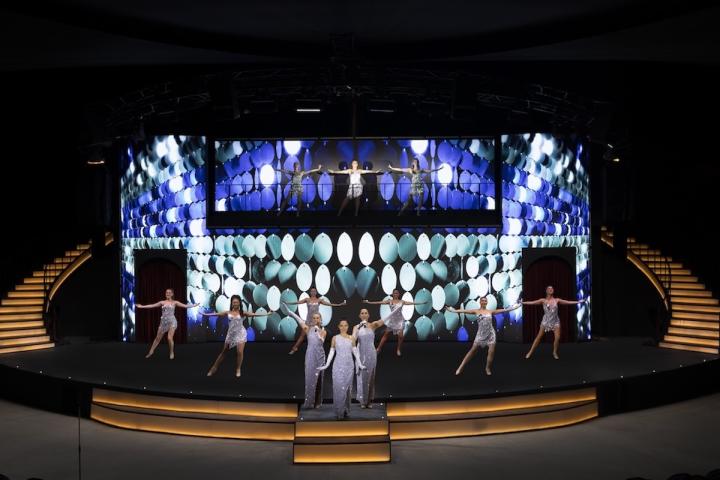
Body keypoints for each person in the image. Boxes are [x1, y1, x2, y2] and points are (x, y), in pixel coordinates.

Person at [447, 298, 521, 375]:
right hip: (480, 334)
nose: (484, 302)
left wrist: (516, 307)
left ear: (487, 302)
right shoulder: (476, 311)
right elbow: (463, 311)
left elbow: (505, 310)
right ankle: (461, 367)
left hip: (490, 334)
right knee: (472, 351)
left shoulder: (490, 311)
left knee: (491, 351)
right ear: (480, 302)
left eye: (485, 301)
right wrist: (453, 310)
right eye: (482, 300)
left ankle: (487, 368)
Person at [202, 295, 270, 377]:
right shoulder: (228, 312)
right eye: (234, 302)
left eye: (237, 302)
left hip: (240, 333)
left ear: (239, 303)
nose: (235, 304)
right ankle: (214, 368)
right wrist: (205, 314)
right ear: (232, 303)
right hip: (231, 334)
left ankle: (238, 369)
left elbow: (254, 314)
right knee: (224, 351)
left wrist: (267, 314)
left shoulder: (242, 312)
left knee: (240, 352)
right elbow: (217, 314)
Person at [317, 319, 365, 419]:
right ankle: (339, 411)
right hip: (338, 366)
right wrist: (326, 365)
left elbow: (355, 352)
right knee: (338, 388)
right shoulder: (335, 338)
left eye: (345, 325)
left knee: (347, 389)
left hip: (349, 366)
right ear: (339, 326)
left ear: (348, 327)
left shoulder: (352, 338)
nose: (343, 327)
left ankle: (345, 409)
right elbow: (331, 352)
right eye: (341, 325)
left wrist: (360, 364)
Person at [523, 286, 587, 360]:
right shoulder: (543, 300)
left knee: (557, 338)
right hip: (546, 321)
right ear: (546, 291)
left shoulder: (557, 300)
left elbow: (568, 302)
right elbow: (532, 302)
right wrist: (523, 303)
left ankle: (554, 352)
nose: (551, 289)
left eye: (552, 288)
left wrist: (579, 302)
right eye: (549, 289)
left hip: (555, 321)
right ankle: (530, 352)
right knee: (538, 337)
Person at [283, 303, 327, 408]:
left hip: (320, 356)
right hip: (310, 355)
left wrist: (317, 330)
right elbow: (300, 320)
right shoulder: (308, 329)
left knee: (319, 379)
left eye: (317, 318)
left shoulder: (323, 331)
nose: (316, 319)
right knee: (310, 378)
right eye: (314, 318)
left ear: (320, 319)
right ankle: (309, 401)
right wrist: (290, 312)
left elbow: (321, 340)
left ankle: (317, 402)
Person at [136, 288, 198, 359]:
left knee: (169, 338)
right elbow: (152, 305)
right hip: (163, 323)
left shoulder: (175, 302)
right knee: (157, 338)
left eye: (169, 293)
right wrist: (142, 306)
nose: (167, 294)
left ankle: (171, 352)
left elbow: (185, 306)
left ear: (172, 294)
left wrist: (194, 305)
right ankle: (151, 351)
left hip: (172, 322)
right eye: (166, 292)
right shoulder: (162, 302)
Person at [364, 289, 427, 356]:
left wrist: (422, 303)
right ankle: (379, 349)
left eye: (397, 293)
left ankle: (398, 349)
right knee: (385, 335)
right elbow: (378, 302)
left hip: (400, 321)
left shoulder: (402, 301)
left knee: (400, 336)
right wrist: (369, 302)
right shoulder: (389, 301)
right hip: (392, 320)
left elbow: (412, 303)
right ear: (392, 294)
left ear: (399, 294)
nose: (395, 294)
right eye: (394, 293)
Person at [284, 287, 345, 354]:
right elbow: (298, 302)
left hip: (316, 322)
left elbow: (329, 304)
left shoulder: (319, 300)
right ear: (310, 292)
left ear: (316, 292)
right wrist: (288, 303)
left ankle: (320, 350)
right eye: (312, 291)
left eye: (314, 291)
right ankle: (294, 348)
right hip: (308, 321)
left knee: (318, 337)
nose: (313, 292)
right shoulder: (307, 299)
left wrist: (339, 304)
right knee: (302, 336)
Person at [351, 308, 384, 408]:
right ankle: (362, 400)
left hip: (371, 353)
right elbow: (353, 339)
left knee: (370, 377)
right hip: (361, 353)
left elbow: (385, 319)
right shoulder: (356, 327)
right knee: (361, 377)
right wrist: (359, 328)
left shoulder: (373, 325)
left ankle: (369, 401)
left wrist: (396, 310)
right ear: (359, 316)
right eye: (362, 313)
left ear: (368, 315)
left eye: (366, 313)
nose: (364, 314)